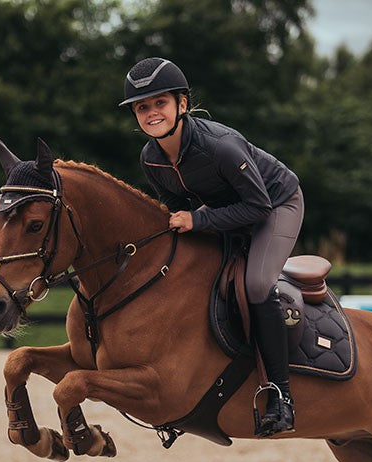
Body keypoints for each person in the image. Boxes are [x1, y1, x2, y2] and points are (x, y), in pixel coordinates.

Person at [119, 57, 304, 436]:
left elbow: (257, 208)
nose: (152, 113)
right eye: (142, 107)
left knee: (254, 284)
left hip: (276, 203)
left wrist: (199, 220)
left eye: (160, 103)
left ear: (182, 105)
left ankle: (282, 397)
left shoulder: (221, 147)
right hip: (226, 209)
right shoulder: (151, 159)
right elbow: (176, 211)